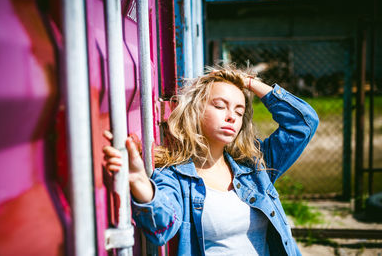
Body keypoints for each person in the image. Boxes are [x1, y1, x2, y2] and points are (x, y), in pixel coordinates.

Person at [103, 65, 319, 255]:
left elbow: (303, 124)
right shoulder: (175, 177)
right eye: (219, 105)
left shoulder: (254, 167)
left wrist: (249, 82)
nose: (231, 116)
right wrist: (139, 182)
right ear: (196, 111)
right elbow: (161, 229)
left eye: (239, 110)